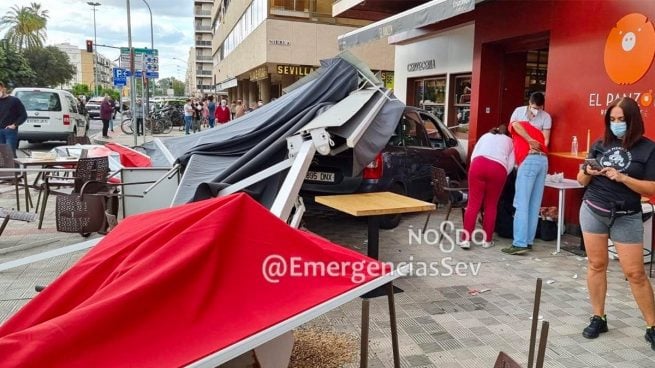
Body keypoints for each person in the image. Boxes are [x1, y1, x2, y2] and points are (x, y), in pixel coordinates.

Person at [576, 97, 655, 349]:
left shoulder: (648, 149)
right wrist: (587, 172)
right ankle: (598, 317)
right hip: (593, 209)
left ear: (633, 121)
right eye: (612, 119)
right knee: (596, 265)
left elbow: (652, 187)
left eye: (622, 120)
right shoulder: (600, 144)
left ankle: (652, 326)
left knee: (635, 273)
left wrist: (622, 178)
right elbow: (580, 180)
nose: (616, 124)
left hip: (626, 215)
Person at [502, 92, 552, 255]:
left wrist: (529, 141)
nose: (535, 111)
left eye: (538, 108)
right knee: (533, 203)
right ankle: (528, 241)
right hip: (543, 161)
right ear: (528, 104)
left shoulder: (519, 123)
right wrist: (532, 140)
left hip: (530, 160)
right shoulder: (520, 114)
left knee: (521, 202)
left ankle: (520, 243)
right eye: (533, 107)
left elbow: (516, 126)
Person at [459, 124, 515, 249]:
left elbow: (474, 155)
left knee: (473, 204)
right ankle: (487, 240)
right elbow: (511, 164)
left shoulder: (485, 136)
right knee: (491, 206)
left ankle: (465, 240)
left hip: (478, 165)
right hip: (498, 168)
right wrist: (502, 174)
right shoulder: (510, 142)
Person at [0, 82, 27, 157]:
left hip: (10, 131)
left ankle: (15, 168)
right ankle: (5, 169)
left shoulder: (14, 100)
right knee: (2, 155)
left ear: (2, 88)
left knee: (10, 154)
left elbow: (23, 115)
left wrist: (14, 125)